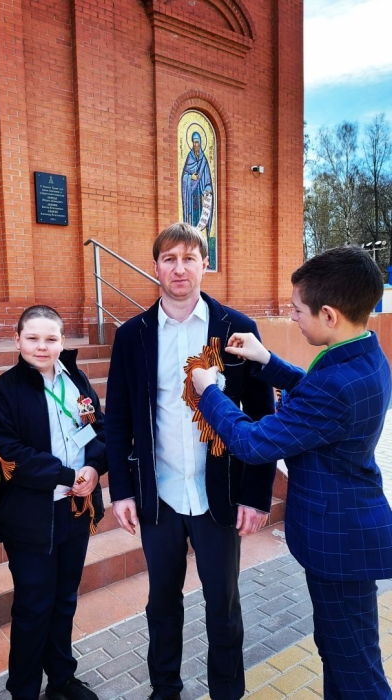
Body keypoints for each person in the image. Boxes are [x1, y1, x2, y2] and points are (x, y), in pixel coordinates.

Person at [191, 246, 392, 699]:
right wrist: (267, 361)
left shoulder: (340, 382)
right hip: (349, 535)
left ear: (328, 314)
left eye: (297, 310)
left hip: (338, 543)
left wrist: (208, 391)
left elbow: (253, 442)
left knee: (357, 668)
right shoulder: (363, 356)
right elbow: (315, 392)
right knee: (341, 651)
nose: (294, 318)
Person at [105, 222, 276, 700]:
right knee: (161, 604)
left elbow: (265, 418)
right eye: (168, 259)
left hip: (219, 494)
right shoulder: (132, 336)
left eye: (189, 258)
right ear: (156, 266)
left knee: (223, 605)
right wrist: (121, 489)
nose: (179, 268)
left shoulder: (238, 330)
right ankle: (165, 690)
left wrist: (256, 495)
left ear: (205, 263)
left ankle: (226, 691)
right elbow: (117, 420)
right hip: (159, 496)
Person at [0, 305, 107, 700]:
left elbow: (100, 430)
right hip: (32, 516)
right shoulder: (4, 391)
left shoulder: (77, 380)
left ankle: (62, 679)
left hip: (75, 509)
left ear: (62, 341)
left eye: (50, 338)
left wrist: (93, 469)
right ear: (17, 341)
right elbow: (10, 453)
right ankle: (23, 689)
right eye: (32, 338)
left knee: (65, 599)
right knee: (34, 606)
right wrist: (68, 475)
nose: (41, 346)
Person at [181, 132, 214, 235]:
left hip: (201, 196)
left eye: (197, 142)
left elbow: (208, 181)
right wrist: (191, 177)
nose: (196, 145)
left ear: (200, 143)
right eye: (194, 142)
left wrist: (208, 190)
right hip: (191, 197)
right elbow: (184, 177)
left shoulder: (204, 160)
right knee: (193, 221)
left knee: (200, 218)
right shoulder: (190, 157)